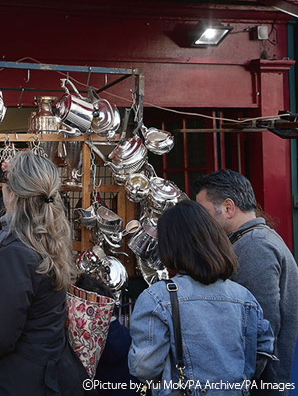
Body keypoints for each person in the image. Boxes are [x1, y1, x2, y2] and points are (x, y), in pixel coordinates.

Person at [0, 151, 87, 395]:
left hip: (21, 381)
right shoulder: (45, 236)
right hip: (47, 372)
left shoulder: (17, 252)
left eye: (5, 179)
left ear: (12, 193)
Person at [128, 200, 274, 395]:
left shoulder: (157, 298)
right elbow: (262, 350)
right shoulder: (244, 297)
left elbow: (144, 367)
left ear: (170, 246)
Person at [195, 169, 298, 393]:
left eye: (204, 213)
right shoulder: (257, 239)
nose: (201, 222)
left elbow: (261, 327)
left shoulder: (254, 245)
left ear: (228, 208)